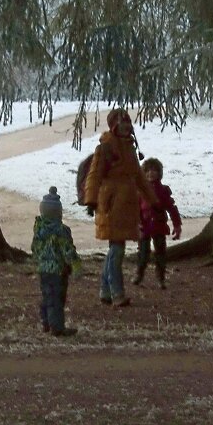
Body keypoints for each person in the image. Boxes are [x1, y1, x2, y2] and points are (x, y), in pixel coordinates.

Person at [82, 107, 158, 307]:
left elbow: (139, 177)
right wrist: (91, 200)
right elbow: (94, 175)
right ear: (114, 126)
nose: (125, 127)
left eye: (127, 124)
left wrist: (153, 200)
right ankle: (116, 293)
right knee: (117, 250)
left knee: (116, 249)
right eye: (121, 124)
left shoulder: (129, 148)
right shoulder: (106, 147)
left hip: (126, 206)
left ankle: (105, 291)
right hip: (112, 205)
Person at [31, 186, 82, 336]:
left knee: (47, 296)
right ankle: (57, 327)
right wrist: (76, 264)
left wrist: (39, 261)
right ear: (58, 212)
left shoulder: (39, 230)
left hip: (43, 270)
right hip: (58, 270)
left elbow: (35, 249)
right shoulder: (61, 231)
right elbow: (68, 250)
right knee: (57, 299)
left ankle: (46, 321)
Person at [134, 157, 182, 289]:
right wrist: (137, 223)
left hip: (159, 226)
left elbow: (172, 208)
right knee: (143, 253)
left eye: (154, 170)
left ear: (159, 173)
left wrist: (177, 225)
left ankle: (161, 277)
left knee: (160, 252)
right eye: (148, 171)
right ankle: (139, 274)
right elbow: (135, 208)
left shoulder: (163, 190)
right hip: (144, 226)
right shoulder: (139, 191)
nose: (151, 173)